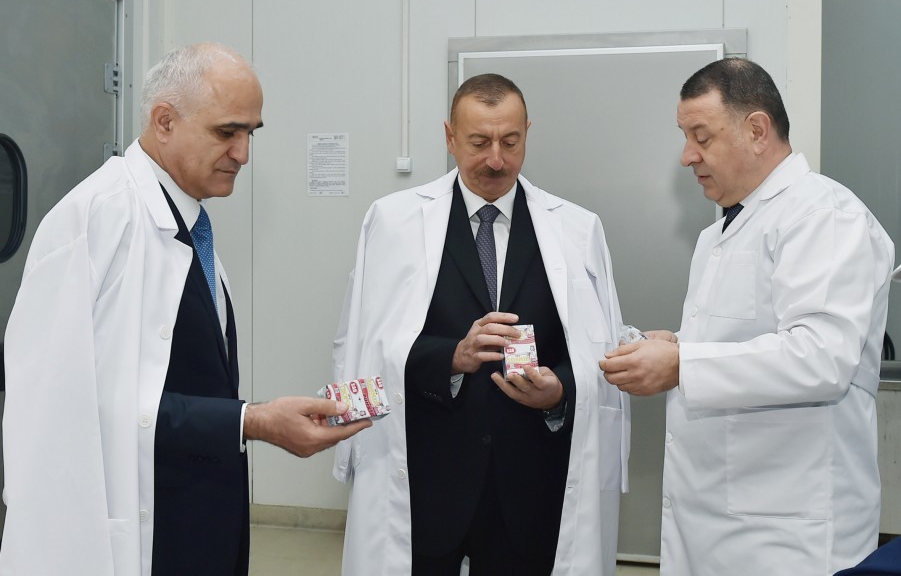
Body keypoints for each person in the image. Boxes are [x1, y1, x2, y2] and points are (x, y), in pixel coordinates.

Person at [0, 43, 370, 576]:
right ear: (165, 121)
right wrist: (251, 421)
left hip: (198, 516)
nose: (243, 153)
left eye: (252, 133)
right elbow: (63, 404)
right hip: (140, 530)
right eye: (227, 132)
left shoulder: (188, 222)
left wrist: (247, 422)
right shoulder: (95, 219)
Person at [600, 57, 894, 575]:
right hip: (714, 523)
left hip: (786, 533)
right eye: (685, 137)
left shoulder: (823, 214)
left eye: (701, 137)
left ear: (757, 130)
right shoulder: (721, 233)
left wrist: (682, 364)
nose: (687, 156)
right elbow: (746, 338)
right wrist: (680, 343)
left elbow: (820, 356)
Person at [332, 73, 629, 576]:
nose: (496, 160)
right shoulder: (392, 221)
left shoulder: (577, 228)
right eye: (478, 143)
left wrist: (559, 392)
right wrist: (452, 357)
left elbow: (598, 350)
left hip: (531, 485)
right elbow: (360, 341)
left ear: (528, 133)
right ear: (449, 137)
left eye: (510, 142)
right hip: (423, 481)